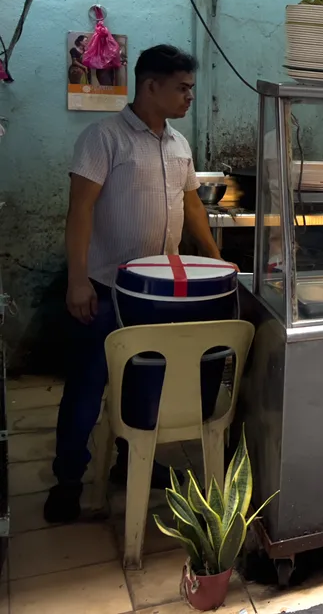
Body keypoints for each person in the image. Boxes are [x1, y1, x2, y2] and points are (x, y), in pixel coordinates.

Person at [45, 45, 223, 523]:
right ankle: (67, 480)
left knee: (145, 382)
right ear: (151, 86)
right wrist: (77, 281)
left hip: (156, 293)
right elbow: (79, 210)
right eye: (182, 88)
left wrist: (215, 258)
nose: (190, 97)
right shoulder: (103, 138)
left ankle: (130, 461)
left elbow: (191, 207)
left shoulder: (178, 145)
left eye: (190, 88)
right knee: (86, 387)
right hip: (103, 289)